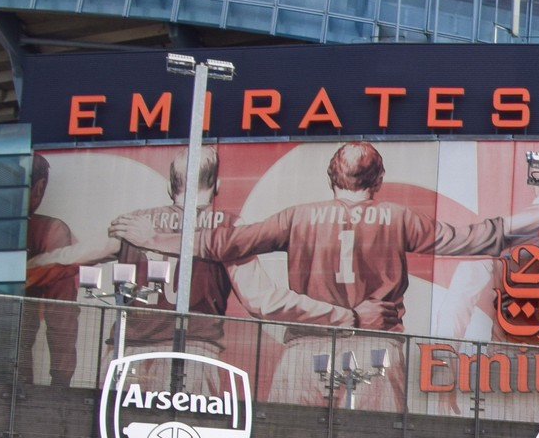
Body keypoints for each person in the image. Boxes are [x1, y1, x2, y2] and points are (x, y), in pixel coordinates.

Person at [111, 141, 539, 409]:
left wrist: (156, 236)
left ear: (331, 179)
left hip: (305, 349)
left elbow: (219, 244)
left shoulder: (297, 216)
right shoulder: (398, 218)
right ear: (377, 182)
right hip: (377, 350)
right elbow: (484, 236)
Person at [32, 148, 397, 392]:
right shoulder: (228, 230)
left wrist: (16, 267)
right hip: (195, 354)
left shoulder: (134, 224)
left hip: (128, 353)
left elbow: (65, 258)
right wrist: (345, 316)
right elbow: (264, 302)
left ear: (170, 186)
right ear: (217, 187)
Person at [22, 154, 81, 386]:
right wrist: (61, 378)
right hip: (10, 359)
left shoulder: (45, 231)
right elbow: (61, 311)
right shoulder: (48, 230)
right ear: (39, 187)